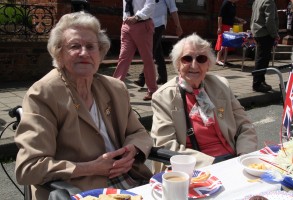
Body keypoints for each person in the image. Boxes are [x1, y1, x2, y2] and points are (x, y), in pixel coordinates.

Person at [14, 12, 153, 200]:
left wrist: (133, 150)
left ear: (100, 52)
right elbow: (29, 167)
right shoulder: (43, 94)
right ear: (59, 52)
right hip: (80, 190)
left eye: (90, 46)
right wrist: (90, 168)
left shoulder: (115, 87)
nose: (84, 53)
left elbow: (139, 133)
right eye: (74, 46)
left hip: (131, 182)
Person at [151, 33, 258, 173]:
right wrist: (212, 163)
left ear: (208, 65)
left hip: (234, 160)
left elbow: (245, 125)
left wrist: (244, 155)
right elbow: (166, 145)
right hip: (194, 168)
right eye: (187, 59)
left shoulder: (221, 85)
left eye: (201, 59)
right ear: (178, 64)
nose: (194, 65)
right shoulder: (163, 97)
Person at [113, 0, 158, 101]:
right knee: (123, 57)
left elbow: (150, 5)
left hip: (142, 24)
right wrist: (126, 19)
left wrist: (137, 17)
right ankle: (114, 87)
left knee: (147, 58)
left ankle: (152, 89)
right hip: (126, 25)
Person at [133, 0, 183, 87]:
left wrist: (178, 26)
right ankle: (163, 76)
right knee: (157, 51)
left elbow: (173, 8)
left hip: (159, 23)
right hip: (147, 23)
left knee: (150, 51)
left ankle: (142, 78)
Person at [251, 0, 280, 93]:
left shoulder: (257, 0)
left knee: (261, 58)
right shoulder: (269, 1)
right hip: (265, 33)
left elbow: (253, 16)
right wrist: (275, 34)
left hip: (257, 31)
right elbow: (270, 20)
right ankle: (257, 83)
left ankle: (261, 80)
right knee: (262, 59)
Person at [215, 0, 246, 66]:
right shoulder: (225, 3)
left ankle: (224, 60)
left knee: (228, 43)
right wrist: (219, 27)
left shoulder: (233, 4)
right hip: (223, 25)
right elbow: (220, 16)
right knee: (222, 42)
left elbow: (232, 16)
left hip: (230, 26)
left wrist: (239, 19)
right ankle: (218, 59)